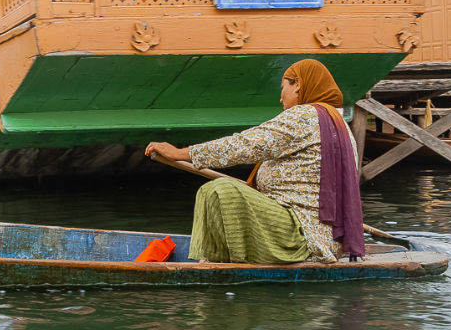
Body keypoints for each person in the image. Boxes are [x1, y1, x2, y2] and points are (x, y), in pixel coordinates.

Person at [144, 59, 365, 264]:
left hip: (299, 236)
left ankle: (210, 264)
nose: (281, 97)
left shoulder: (305, 116)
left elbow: (244, 146)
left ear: (297, 85)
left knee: (217, 191)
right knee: (223, 192)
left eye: (283, 88)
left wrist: (182, 153)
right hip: (323, 238)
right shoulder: (338, 124)